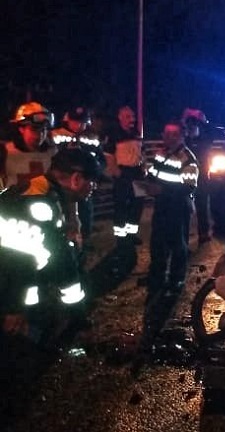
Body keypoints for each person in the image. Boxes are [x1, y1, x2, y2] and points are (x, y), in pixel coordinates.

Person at [0, 148, 101, 348]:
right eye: (92, 181)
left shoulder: (41, 190)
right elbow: (60, 265)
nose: (94, 187)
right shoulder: (41, 207)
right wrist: (13, 308)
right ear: (76, 179)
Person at [142, 119, 198, 303]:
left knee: (177, 245)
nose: (169, 138)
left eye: (174, 134)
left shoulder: (188, 159)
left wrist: (162, 190)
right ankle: (156, 278)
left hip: (177, 207)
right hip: (161, 205)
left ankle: (176, 280)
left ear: (182, 136)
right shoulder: (161, 153)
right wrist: (147, 182)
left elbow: (189, 187)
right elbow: (154, 174)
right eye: (166, 134)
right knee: (157, 243)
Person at [52, 106, 105, 251]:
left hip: (84, 183)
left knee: (86, 213)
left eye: (82, 122)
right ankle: (64, 241)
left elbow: (101, 159)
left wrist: (95, 175)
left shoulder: (92, 138)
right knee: (63, 213)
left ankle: (85, 240)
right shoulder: (55, 135)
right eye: (76, 121)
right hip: (64, 186)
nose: (79, 125)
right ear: (67, 120)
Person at [103, 105, 145, 249]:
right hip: (123, 173)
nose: (132, 119)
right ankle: (121, 239)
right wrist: (117, 173)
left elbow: (141, 152)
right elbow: (108, 156)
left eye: (132, 117)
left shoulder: (136, 133)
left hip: (137, 172)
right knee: (121, 206)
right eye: (128, 117)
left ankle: (131, 235)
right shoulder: (114, 134)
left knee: (137, 205)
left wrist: (143, 168)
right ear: (120, 117)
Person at [182, 108, 212, 243]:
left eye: (195, 124)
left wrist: (201, 117)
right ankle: (184, 234)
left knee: (202, 205)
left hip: (202, 177)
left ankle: (204, 233)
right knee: (185, 206)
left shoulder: (204, 139)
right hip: (186, 178)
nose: (192, 127)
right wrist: (185, 117)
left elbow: (209, 129)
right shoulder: (184, 141)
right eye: (190, 125)